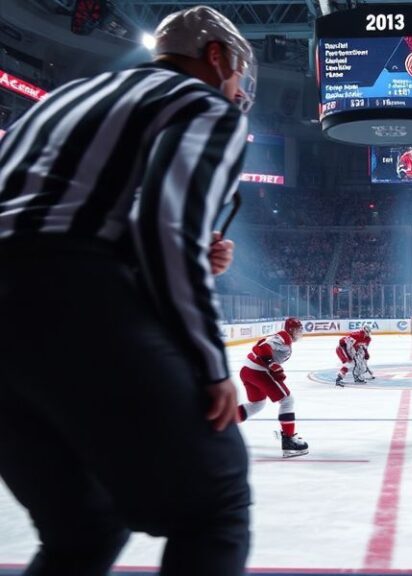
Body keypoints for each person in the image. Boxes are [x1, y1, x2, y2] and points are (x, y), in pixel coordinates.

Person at [0, 6, 256, 574]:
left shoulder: (65, 99)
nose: (238, 84)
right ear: (214, 56)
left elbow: (53, 214)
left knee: (83, 531)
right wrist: (210, 364)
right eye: (235, 68)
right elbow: (167, 230)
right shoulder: (202, 103)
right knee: (215, 507)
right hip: (67, 292)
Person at [238, 317, 309, 458]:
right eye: (296, 330)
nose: (299, 333)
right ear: (290, 329)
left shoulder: (284, 338)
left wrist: (271, 365)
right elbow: (261, 346)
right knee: (287, 400)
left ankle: (221, 424)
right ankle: (288, 441)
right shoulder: (283, 337)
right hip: (258, 371)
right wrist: (270, 363)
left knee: (257, 404)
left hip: (248, 370)